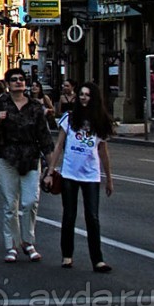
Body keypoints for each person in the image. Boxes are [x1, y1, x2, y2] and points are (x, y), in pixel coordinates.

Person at [0, 68, 54, 263]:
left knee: (31, 201)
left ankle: (28, 241)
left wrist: (51, 169)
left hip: (31, 158)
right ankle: (12, 245)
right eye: (14, 80)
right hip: (7, 157)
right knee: (10, 204)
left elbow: (45, 138)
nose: (19, 82)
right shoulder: (0, 104)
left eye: (22, 79)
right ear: (8, 83)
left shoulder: (35, 107)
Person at [44, 82, 115, 272]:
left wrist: (109, 178)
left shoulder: (99, 122)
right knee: (69, 215)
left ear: (94, 98)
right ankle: (67, 256)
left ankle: (97, 260)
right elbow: (59, 146)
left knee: (92, 217)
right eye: (81, 94)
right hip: (69, 174)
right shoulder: (69, 118)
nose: (84, 97)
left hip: (91, 175)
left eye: (88, 95)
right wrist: (50, 172)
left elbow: (103, 151)